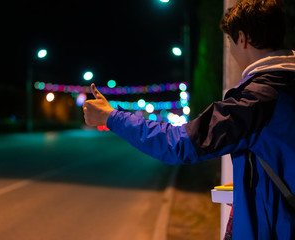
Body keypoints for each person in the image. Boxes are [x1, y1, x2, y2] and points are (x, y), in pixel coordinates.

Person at [82, 0, 295, 239]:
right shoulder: (285, 88)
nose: (232, 50)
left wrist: (111, 116)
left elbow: (179, 143)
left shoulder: (256, 100)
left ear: (242, 39)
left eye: (230, 42)